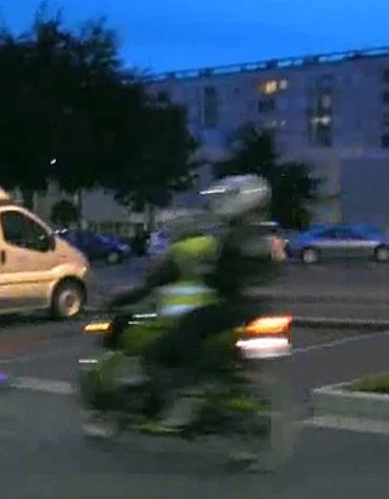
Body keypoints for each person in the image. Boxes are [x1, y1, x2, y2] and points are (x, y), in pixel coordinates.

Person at [108, 175, 278, 428]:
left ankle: (187, 397)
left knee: (169, 344)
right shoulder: (259, 233)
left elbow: (213, 277)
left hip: (228, 308)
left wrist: (125, 297)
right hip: (249, 307)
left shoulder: (234, 236)